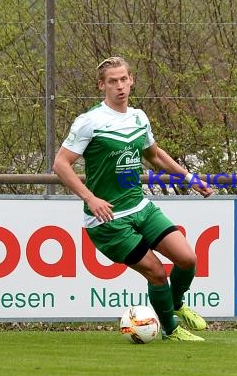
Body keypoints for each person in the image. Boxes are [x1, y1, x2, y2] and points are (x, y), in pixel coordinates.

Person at [53, 56, 212, 341]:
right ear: (102, 85)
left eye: (123, 79)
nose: (119, 86)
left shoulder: (139, 117)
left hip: (141, 207)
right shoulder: (89, 122)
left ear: (131, 80)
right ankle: (171, 330)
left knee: (187, 258)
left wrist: (189, 178)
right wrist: (91, 198)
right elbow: (61, 164)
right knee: (156, 272)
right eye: (112, 81)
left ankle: (175, 306)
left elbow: (154, 155)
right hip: (109, 220)